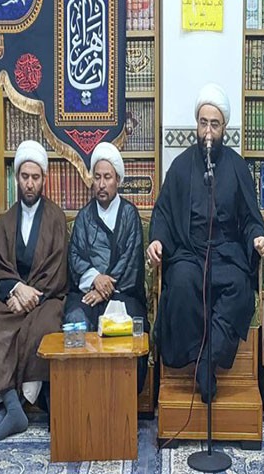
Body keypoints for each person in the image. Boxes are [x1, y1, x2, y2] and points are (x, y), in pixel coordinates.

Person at [147, 83, 264, 402]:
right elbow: (163, 212)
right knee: (181, 282)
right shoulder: (181, 166)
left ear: (224, 127)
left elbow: (251, 217)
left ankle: (206, 360)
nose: (208, 132)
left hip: (226, 253)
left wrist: (258, 236)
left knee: (240, 288)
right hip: (190, 252)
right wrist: (157, 240)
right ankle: (197, 359)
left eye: (215, 124)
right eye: (203, 123)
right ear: (196, 125)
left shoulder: (237, 167)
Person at [0, 140, 68, 443]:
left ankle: (16, 406)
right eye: (25, 177)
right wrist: (15, 290)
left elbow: (57, 268)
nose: (30, 183)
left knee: (44, 327)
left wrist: (30, 296)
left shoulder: (55, 218)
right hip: (13, 297)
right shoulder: (7, 220)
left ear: (44, 179)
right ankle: (12, 407)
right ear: (17, 178)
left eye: (35, 177)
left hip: (46, 297)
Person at [64, 142, 147, 392]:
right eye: (97, 177)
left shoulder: (130, 215)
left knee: (130, 323)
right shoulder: (84, 216)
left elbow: (131, 260)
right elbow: (75, 256)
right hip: (87, 292)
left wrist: (104, 288)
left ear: (117, 180)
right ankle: (80, 394)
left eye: (107, 177)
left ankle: (124, 397)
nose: (101, 184)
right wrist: (94, 279)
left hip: (123, 293)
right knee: (75, 319)